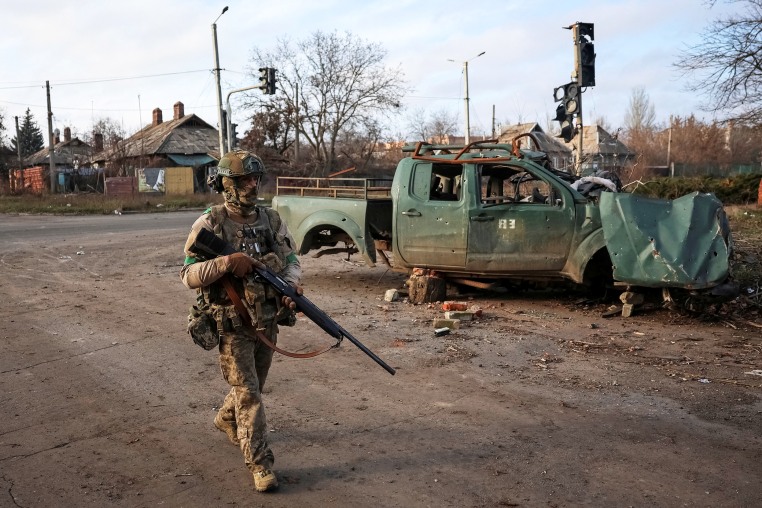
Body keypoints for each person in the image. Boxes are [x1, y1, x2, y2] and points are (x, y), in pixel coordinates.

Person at [180, 150, 302, 492]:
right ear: (225, 184)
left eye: (255, 179)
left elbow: (291, 260)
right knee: (249, 393)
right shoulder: (210, 223)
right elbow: (188, 275)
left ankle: (225, 418)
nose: (252, 185)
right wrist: (226, 262)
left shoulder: (271, 220)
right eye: (244, 179)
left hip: (267, 320)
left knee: (254, 387)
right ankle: (260, 464)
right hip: (233, 326)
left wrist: (291, 287)